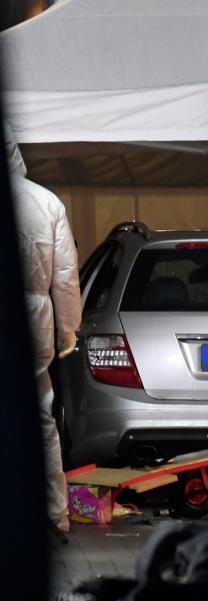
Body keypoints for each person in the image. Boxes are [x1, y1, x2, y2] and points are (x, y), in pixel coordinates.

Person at [7, 127, 81, 531]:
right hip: (34, 318)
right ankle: (53, 512)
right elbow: (66, 277)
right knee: (39, 419)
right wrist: (68, 328)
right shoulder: (46, 202)